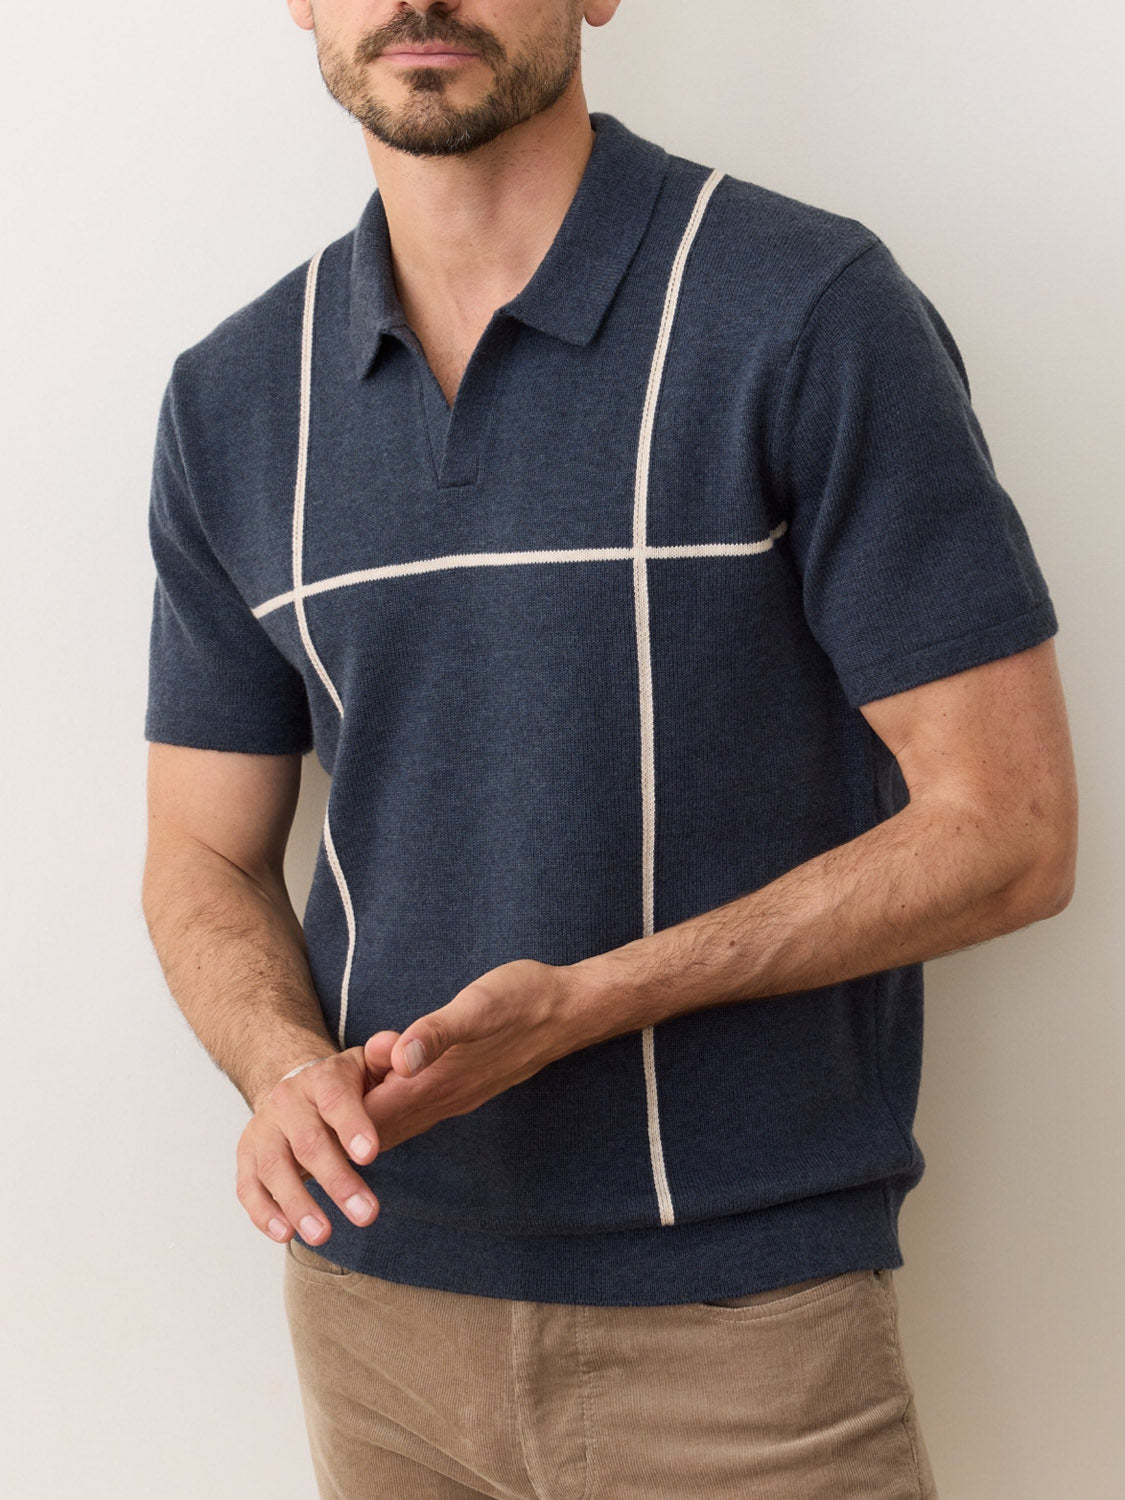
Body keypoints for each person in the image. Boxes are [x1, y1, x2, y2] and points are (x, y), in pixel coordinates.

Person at [140, 2, 1078, 1496]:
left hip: (742, 1332)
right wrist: (278, 1070)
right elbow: (201, 847)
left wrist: (583, 1004)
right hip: (373, 1312)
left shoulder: (804, 306)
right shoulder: (232, 398)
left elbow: (1010, 834)